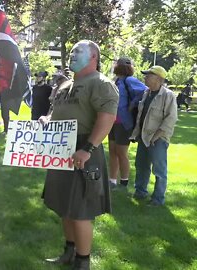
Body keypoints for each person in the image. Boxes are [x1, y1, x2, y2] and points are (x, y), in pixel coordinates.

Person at [41, 40, 118, 270]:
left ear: (94, 57)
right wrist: (46, 120)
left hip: (84, 150)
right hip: (61, 150)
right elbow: (54, 112)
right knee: (64, 204)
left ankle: (82, 263)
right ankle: (69, 251)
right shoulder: (65, 86)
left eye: (78, 51)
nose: (72, 55)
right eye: (71, 51)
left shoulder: (101, 83)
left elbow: (107, 118)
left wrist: (88, 148)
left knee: (81, 210)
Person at [130, 66, 178, 206]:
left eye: (148, 75)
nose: (145, 78)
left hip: (158, 139)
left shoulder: (168, 95)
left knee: (159, 170)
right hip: (144, 137)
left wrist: (156, 136)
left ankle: (158, 199)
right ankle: (140, 192)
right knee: (141, 166)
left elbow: (171, 119)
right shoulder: (146, 93)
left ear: (158, 79)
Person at [108, 57, 146, 190]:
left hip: (124, 122)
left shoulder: (129, 80)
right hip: (112, 122)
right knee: (112, 151)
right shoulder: (116, 80)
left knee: (121, 152)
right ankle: (112, 181)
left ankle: (123, 182)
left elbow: (144, 91)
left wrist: (132, 104)